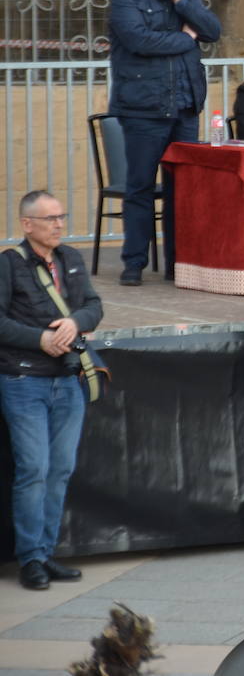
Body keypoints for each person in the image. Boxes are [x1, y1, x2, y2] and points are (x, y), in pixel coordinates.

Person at [108, 0, 222, 286]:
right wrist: (186, 37)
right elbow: (139, 40)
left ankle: (178, 263)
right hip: (144, 109)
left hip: (185, 106)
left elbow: (213, 30)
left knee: (182, 190)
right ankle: (134, 264)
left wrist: (183, 1)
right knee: (140, 186)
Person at [1, 191, 102, 590]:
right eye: (50, 219)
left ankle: (46, 552)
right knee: (34, 470)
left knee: (60, 470)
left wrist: (76, 322)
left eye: (62, 216)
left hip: (68, 381)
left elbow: (94, 306)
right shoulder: (9, 264)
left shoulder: (72, 260)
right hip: (24, 380)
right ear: (28, 225)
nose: (59, 224)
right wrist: (39, 339)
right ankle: (30, 559)